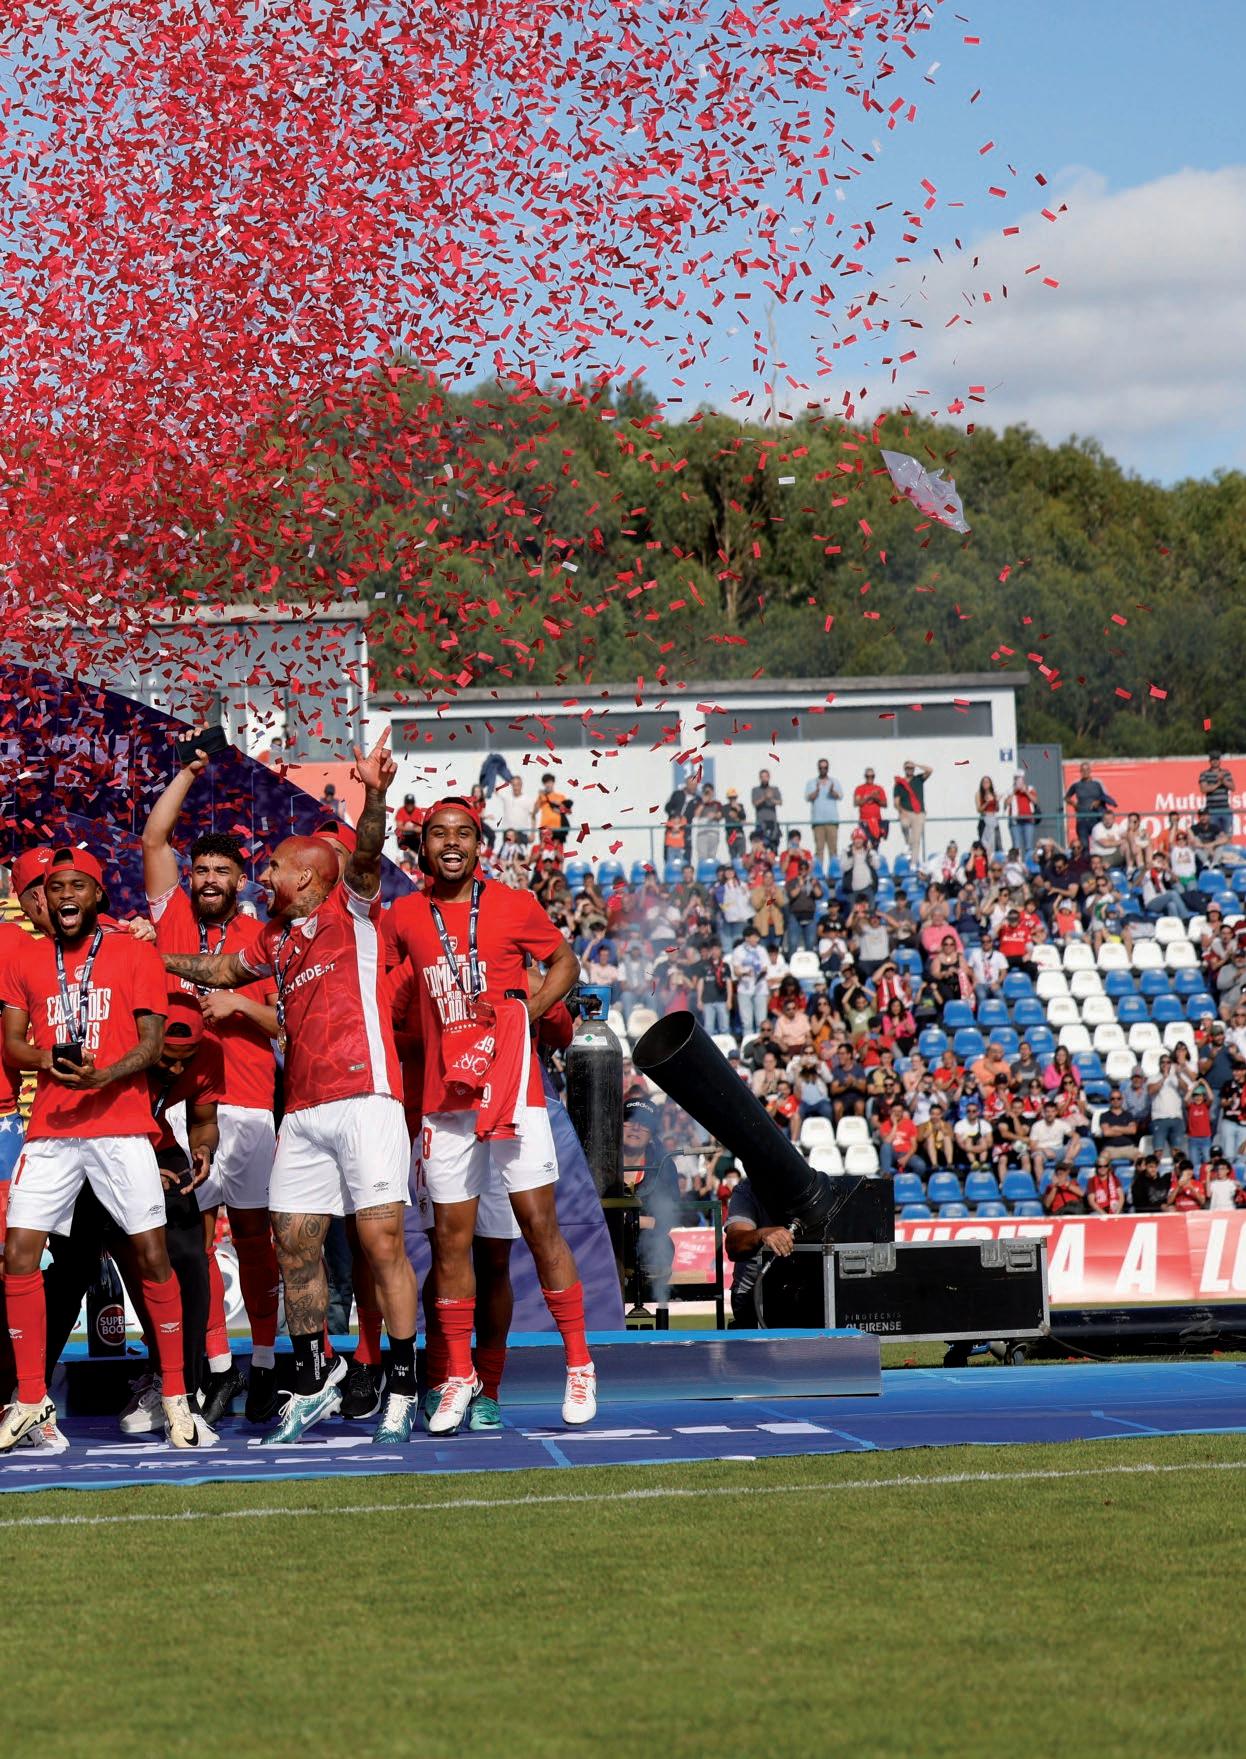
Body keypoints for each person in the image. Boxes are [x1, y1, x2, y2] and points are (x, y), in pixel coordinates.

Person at [162, 732, 420, 1445]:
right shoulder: (274, 938)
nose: (261, 872)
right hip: (302, 1110)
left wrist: (375, 794)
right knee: (292, 1243)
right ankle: (312, 1376)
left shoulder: (352, 911)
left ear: (306, 876)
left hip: (367, 1097)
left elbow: (367, 851)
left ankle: (403, 1382)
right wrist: (154, 958)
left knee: (381, 1243)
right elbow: (221, 972)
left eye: (272, 864)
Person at [385, 795, 595, 1432]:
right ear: (422, 847)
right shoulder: (404, 915)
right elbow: (383, 992)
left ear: (480, 845)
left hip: (513, 1096)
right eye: (438, 833)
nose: (451, 842)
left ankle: (579, 1364)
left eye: (463, 833)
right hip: (444, 1105)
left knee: (537, 1228)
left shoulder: (513, 904)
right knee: (451, 1244)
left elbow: (565, 961)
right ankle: (456, 1376)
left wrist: (527, 1014)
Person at [0, 846, 207, 1451]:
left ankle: (177, 1397)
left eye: (77, 886)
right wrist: (48, 1058)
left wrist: (105, 1074)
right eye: (55, 887)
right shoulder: (27, 958)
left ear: (97, 895)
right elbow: (13, 1043)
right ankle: (31, 1400)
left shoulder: (134, 952)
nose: (65, 896)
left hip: (120, 1125)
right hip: (52, 1127)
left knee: (151, 1256)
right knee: (18, 1254)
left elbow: (151, 1045)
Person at [141, 740, 283, 1425]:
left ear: (241, 880)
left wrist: (239, 1006)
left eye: (222, 870)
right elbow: (154, 836)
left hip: (249, 1103)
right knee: (189, 1246)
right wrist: (192, 770)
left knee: (255, 1240)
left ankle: (266, 1365)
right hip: (177, 1107)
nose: (208, 878)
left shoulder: (263, 936)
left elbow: (288, 1021)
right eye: (200, 869)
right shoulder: (168, 917)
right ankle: (211, 1369)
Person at [723, 1174, 791, 1328]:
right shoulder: (746, 1190)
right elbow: (733, 1246)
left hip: (802, 1289)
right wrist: (761, 1234)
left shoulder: (811, 1185)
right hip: (751, 1294)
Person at [1064, 761, 1116, 844]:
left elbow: (1106, 797)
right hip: (1082, 819)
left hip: (1097, 818)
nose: (1085, 772)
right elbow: (1066, 798)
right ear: (1080, 771)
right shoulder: (1076, 784)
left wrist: (1098, 801)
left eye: (1087, 770)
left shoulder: (1098, 783)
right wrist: (1074, 804)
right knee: (1084, 844)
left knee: (1098, 843)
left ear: (1090, 771)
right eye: (1083, 770)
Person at [805, 759, 842, 866]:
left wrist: (832, 791)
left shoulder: (834, 782)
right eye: (821, 768)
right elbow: (808, 798)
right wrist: (817, 791)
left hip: (832, 821)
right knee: (819, 850)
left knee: (833, 850)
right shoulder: (812, 782)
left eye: (825, 767)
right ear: (818, 768)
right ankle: (819, 872)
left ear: (828, 768)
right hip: (818, 821)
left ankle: (833, 871)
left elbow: (840, 796)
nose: (823, 770)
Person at [892, 761, 931, 863]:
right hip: (906, 812)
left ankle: (913, 863)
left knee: (916, 839)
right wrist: (901, 811)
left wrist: (917, 765)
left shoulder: (918, 779)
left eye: (911, 768)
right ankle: (908, 842)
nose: (910, 770)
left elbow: (930, 770)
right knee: (904, 825)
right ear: (904, 769)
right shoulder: (899, 784)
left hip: (919, 813)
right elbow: (896, 802)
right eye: (908, 768)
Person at [1198, 752, 1235, 840]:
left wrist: (1223, 780)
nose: (1215, 761)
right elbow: (1204, 789)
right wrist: (1218, 783)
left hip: (1225, 810)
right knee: (1214, 836)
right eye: (1213, 760)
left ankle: (1227, 849)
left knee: (1228, 835)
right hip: (1212, 811)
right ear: (1210, 761)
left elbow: (1233, 788)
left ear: (1220, 761)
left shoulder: (1226, 773)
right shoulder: (1204, 774)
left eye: (1217, 759)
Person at [1005, 774, 1040, 859]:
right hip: (1015, 821)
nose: (1019, 783)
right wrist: (1014, 792)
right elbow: (1006, 804)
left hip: (1028, 821)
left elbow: (1035, 801)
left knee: (1029, 846)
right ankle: (1018, 862)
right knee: (1016, 845)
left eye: (1021, 780)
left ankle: (1028, 862)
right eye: (1017, 780)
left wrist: (1026, 792)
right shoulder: (1010, 791)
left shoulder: (1030, 789)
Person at [533, 773, 572, 847]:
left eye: (549, 782)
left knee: (558, 850)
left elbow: (569, 812)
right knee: (544, 850)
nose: (548, 785)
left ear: (553, 783)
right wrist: (540, 797)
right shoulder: (541, 796)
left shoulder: (560, 796)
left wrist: (559, 804)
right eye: (546, 783)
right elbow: (535, 811)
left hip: (558, 827)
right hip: (544, 828)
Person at [853, 768, 887, 849]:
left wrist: (876, 798)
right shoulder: (860, 788)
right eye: (868, 776)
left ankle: (874, 856)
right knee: (865, 844)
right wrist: (868, 797)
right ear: (865, 776)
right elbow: (857, 803)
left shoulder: (879, 788)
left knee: (875, 844)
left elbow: (885, 804)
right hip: (864, 821)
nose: (870, 778)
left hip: (876, 821)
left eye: (872, 776)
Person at [751, 769, 783, 852]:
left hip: (773, 824)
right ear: (759, 778)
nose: (764, 779)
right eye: (762, 777)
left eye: (766, 776)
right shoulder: (755, 790)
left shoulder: (774, 789)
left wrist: (771, 798)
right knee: (761, 848)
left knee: (774, 847)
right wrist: (765, 797)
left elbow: (780, 802)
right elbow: (754, 803)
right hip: (760, 823)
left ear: (769, 777)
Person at [975, 776, 1000, 854]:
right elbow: (979, 809)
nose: (986, 784)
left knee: (995, 843)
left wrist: (997, 801)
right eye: (984, 782)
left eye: (987, 782)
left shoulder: (994, 793)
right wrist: (987, 802)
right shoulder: (978, 794)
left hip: (993, 819)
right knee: (984, 844)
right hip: (984, 819)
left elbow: (997, 809)